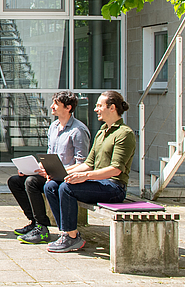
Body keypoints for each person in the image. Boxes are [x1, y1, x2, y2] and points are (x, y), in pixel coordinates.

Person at [44, 90, 136, 253]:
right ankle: (66, 232)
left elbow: (115, 170)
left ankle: (72, 238)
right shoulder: (102, 132)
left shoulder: (124, 133)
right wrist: (62, 173)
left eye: (99, 105)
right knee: (51, 185)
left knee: (67, 188)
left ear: (112, 108)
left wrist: (83, 176)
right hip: (98, 182)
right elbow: (88, 164)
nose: (95, 109)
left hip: (114, 187)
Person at [8, 91, 90, 244]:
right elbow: (49, 155)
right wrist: (32, 168)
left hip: (65, 177)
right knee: (15, 181)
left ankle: (42, 228)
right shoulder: (54, 126)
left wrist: (53, 171)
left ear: (68, 108)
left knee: (31, 182)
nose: (51, 107)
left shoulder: (78, 131)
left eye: (56, 104)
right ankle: (35, 222)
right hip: (50, 173)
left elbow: (83, 163)